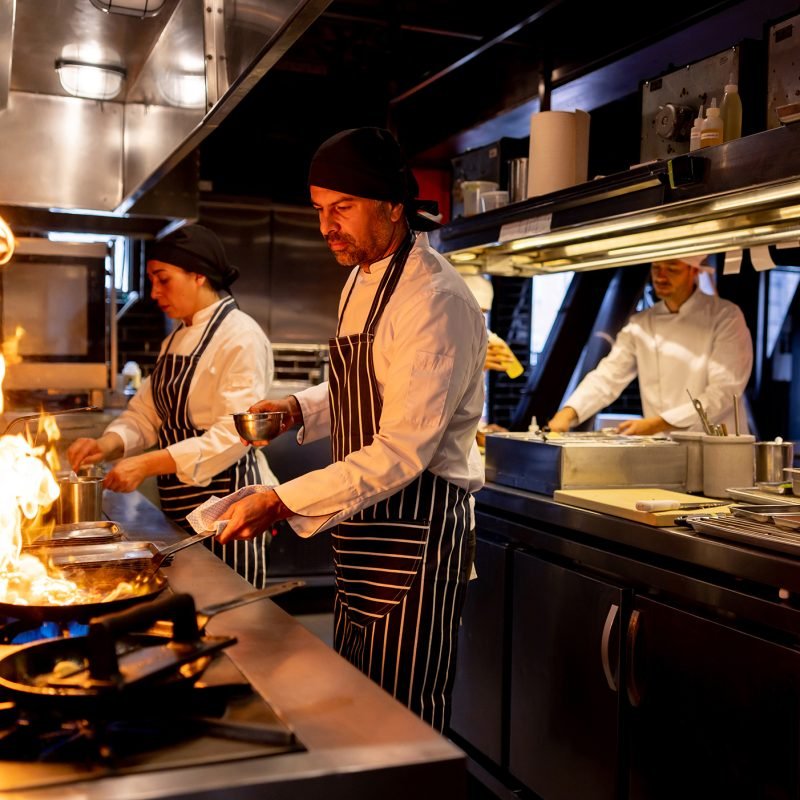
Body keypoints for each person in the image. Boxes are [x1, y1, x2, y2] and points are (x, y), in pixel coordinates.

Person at [212, 127, 488, 732]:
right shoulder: (361, 277)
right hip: (364, 533)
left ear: (392, 205)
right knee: (361, 709)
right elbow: (362, 387)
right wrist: (296, 408)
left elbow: (402, 449)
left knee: (403, 725)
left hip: (417, 534)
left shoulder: (434, 299)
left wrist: (282, 500)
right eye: (319, 210)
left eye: (342, 209)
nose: (325, 227)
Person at [67, 224, 278, 587]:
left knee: (229, 607)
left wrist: (147, 463)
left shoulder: (240, 337)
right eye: (152, 281)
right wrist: (105, 446)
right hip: (180, 505)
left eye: (163, 280)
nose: (155, 293)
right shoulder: (175, 338)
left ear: (198, 275)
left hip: (228, 507)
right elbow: (145, 414)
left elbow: (232, 437)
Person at [547, 254, 753, 435]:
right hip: (663, 451)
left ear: (694, 270)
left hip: (715, 450)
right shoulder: (642, 323)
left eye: (672, 268)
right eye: (656, 267)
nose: (661, 276)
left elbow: (724, 391)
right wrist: (568, 413)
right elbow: (608, 376)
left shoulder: (725, 316)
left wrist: (658, 424)